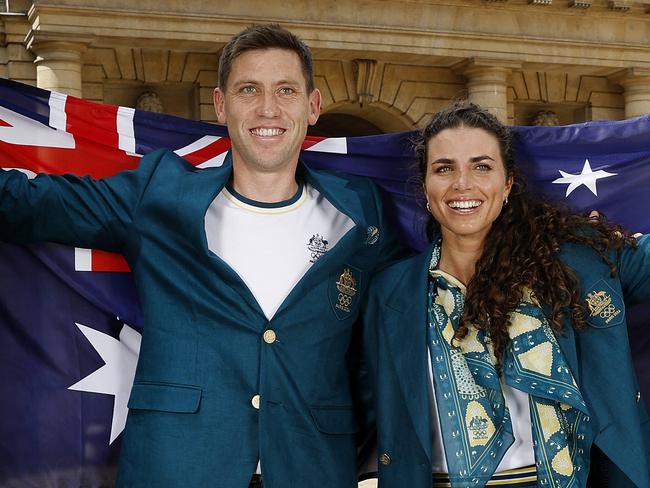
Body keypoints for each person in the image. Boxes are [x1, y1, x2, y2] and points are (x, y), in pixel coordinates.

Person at [0, 24, 399, 487]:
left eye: (285, 90)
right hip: (179, 467)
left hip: (312, 467)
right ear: (221, 104)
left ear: (312, 106)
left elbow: (394, 324)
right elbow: (29, 205)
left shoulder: (360, 208)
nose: (268, 108)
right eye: (248, 89)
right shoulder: (160, 194)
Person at [363, 102, 650, 488]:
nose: (462, 183)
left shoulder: (579, 260)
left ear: (508, 184)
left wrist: (614, 242)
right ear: (426, 189)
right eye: (444, 168)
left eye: (482, 166)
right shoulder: (389, 291)